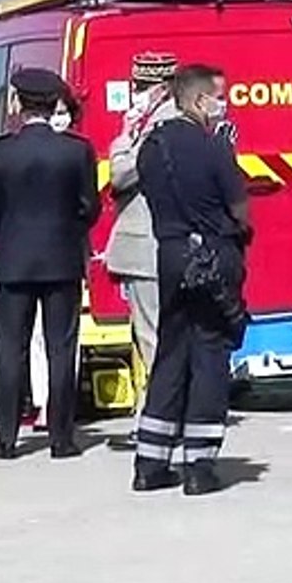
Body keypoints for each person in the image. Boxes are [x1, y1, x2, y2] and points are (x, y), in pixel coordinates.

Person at [130, 63, 250, 496]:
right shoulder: (214, 147)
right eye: (219, 97)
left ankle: (150, 463)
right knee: (210, 355)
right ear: (200, 100)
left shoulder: (151, 146)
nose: (224, 105)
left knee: (170, 352)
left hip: (171, 255)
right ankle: (199, 465)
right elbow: (239, 209)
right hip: (215, 253)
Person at [0, 67, 100, 460]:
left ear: (18, 104)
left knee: (10, 348)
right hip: (62, 259)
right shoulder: (76, 150)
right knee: (60, 348)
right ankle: (61, 438)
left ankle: (6, 438)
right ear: (54, 105)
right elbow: (90, 207)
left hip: (14, 260)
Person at [105, 51, 180, 450]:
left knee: (153, 339)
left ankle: (159, 422)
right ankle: (152, 417)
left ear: (162, 89)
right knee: (153, 336)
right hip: (155, 245)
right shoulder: (163, 121)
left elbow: (121, 174)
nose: (135, 93)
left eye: (142, 87)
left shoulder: (159, 125)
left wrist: (122, 135)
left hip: (148, 245)